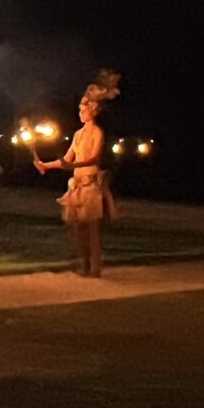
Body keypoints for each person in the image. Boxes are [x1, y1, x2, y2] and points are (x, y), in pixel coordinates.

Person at [35, 70, 121, 277]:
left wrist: (72, 166)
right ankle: (83, 264)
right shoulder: (78, 134)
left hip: (90, 184)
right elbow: (67, 158)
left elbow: (93, 158)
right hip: (77, 183)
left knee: (91, 229)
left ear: (93, 111)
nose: (80, 112)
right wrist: (46, 165)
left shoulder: (97, 132)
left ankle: (96, 267)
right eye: (80, 109)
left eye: (83, 109)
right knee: (76, 229)